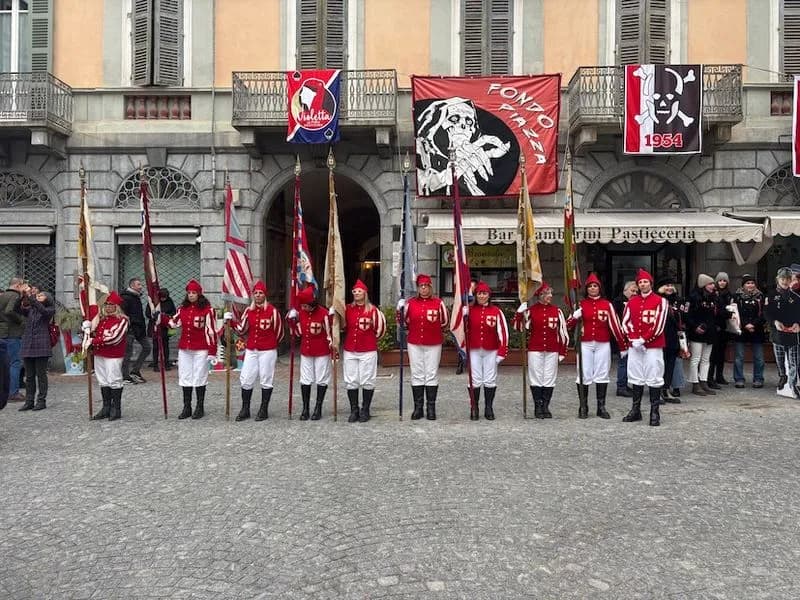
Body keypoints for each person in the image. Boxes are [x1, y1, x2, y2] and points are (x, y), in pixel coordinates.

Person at [567, 273, 627, 419]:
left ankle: (601, 406)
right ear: (586, 289)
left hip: (602, 343)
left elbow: (615, 325)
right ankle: (583, 406)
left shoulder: (607, 305)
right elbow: (567, 325)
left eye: (595, 286)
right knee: (583, 374)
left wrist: (622, 346)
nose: (593, 289)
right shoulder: (581, 304)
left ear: (599, 288)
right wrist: (575, 316)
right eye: (590, 286)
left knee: (602, 374)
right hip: (585, 343)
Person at [227, 281, 283, 422]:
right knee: (246, 378)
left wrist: (271, 345)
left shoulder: (272, 311)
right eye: (256, 293)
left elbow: (279, 332)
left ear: (265, 295)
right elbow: (242, 328)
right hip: (252, 349)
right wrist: (231, 322)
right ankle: (245, 409)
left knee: (266, 378)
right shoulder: (249, 311)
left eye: (260, 293)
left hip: (268, 350)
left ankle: (263, 409)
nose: (258, 295)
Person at [397, 273, 448, 420]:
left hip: (433, 343)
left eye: (426, 286)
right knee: (417, 373)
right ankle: (418, 408)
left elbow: (444, 321)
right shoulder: (411, 303)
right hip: (414, 343)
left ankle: (431, 408)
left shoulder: (438, 303)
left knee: (431, 374)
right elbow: (403, 321)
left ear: (430, 287)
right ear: (418, 288)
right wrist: (399, 309)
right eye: (421, 286)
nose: (424, 289)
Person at [621, 268, 668, 426]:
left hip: (653, 346)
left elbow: (659, 325)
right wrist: (634, 339)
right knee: (636, 376)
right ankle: (636, 410)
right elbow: (625, 323)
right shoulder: (632, 302)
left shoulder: (660, 301)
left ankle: (655, 412)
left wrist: (644, 340)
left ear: (650, 283)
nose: (642, 284)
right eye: (640, 282)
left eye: (645, 282)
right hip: (635, 346)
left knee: (654, 375)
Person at [515, 282, 566, 419]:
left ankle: (546, 406)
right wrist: (520, 313)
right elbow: (519, 327)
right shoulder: (531, 310)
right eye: (547, 293)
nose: (550, 296)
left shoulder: (557, 311)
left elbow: (562, 333)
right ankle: (538, 406)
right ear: (540, 295)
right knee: (536, 377)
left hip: (552, 349)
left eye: (550, 293)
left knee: (549, 377)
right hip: (535, 348)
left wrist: (562, 351)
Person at [168, 279, 217, 419]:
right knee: (185, 377)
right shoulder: (182, 309)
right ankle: (187, 407)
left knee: (199, 376)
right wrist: (162, 319)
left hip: (201, 348)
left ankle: (199, 407)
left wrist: (212, 351)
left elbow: (211, 331)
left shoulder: (208, 310)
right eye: (189, 293)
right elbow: (174, 323)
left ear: (199, 294)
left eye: (193, 293)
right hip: (185, 348)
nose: (191, 295)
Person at [342, 279, 386, 423]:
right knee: (351, 380)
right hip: (350, 349)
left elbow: (381, 329)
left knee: (367, 380)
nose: (356, 294)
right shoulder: (347, 309)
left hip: (367, 350)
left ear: (365, 293)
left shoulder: (373, 310)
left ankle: (365, 409)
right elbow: (341, 325)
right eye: (354, 291)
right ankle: (354, 409)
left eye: (359, 291)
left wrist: (371, 340)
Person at [287, 286, 331, 421]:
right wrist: (292, 320)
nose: (304, 308)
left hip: (322, 351)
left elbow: (330, 333)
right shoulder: (301, 313)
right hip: (306, 351)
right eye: (302, 306)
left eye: (306, 306)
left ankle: (318, 408)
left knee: (321, 379)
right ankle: (305, 408)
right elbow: (297, 333)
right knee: (305, 379)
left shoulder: (324, 313)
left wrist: (333, 317)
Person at [466, 281, 508, 421]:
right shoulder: (470, 310)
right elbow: (461, 330)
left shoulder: (496, 311)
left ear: (489, 295)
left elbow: (503, 332)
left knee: (490, 379)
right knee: (475, 379)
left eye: (484, 293)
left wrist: (502, 352)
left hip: (491, 350)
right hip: (474, 349)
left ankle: (489, 407)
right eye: (479, 293)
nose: (482, 296)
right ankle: (474, 406)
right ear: (475, 295)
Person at [84, 292, 129, 421]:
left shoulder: (122, 320)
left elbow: (114, 338)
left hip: (113, 354)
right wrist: (87, 330)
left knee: (114, 379)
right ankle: (106, 407)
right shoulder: (102, 320)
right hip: (100, 353)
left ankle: (116, 408)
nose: (108, 307)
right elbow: (95, 333)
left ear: (117, 307)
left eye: (111, 305)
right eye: (107, 304)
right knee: (103, 380)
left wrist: (94, 341)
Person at [16, 286, 56, 411]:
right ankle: (29, 401)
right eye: (37, 296)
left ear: (47, 299)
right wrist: (22, 296)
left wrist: (32, 297)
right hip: (29, 345)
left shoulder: (49, 309)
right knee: (29, 376)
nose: (38, 297)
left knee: (41, 375)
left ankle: (41, 400)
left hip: (41, 346)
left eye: (41, 296)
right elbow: (16, 309)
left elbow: (42, 310)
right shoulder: (31, 309)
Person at [685, 274, 725, 396]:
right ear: (703, 285)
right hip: (697, 332)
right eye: (710, 284)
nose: (713, 286)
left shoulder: (714, 298)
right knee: (695, 359)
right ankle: (695, 383)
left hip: (710, 332)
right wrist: (694, 326)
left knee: (706, 359)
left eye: (713, 284)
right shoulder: (693, 297)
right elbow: (687, 315)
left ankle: (704, 382)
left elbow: (718, 313)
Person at [765, 267, 800, 398]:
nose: (785, 281)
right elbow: (767, 313)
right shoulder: (771, 296)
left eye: (787, 279)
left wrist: (798, 324)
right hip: (778, 332)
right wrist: (774, 322)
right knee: (779, 359)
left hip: (792, 332)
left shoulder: (796, 297)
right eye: (782, 278)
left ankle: (793, 383)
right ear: (777, 280)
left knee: (794, 360)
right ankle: (782, 376)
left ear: (791, 280)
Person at [733, 274, 765, 389]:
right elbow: (736, 313)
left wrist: (753, 324)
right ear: (743, 285)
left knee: (759, 357)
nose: (750, 285)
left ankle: (758, 378)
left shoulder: (761, 296)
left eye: (752, 283)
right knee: (739, 357)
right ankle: (739, 379)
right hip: (741, 329)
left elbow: (763, 314)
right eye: (747, 283)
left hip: (757, 330)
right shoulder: (737, 297)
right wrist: (746, 324)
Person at [655, 276, 684, 404]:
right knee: (659, 366)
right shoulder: (657, 300)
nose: (669, 288)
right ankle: (657, 391)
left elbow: (683, 318)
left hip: (673, 338)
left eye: (671, 285)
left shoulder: (678, 301)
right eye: (666, 285)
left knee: (670, 365)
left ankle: (666, 389)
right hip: (660, 337)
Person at [120, 278, 152, 384]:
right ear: (132, 286)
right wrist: (129, 325)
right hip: (130, 329)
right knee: (127, 353)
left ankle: (135, 370)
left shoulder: (136, 297)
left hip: (139, 329)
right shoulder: (126, 297)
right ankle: (125, 376)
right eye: (139, 284)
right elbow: (123, 313)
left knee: (147, 348)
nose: (141, 286)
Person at [0, 276, 26, 402]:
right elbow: (9, 311)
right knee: (15, 363)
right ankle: (13, 392)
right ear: (17, 285)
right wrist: (20, 320)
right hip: (12, 333)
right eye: (22, 286)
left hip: (3, 333)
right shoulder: (14, 296)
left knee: (5, 363)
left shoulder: (3, 295)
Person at [612, 280, 638, 397]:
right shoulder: (617, 303)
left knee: (629, 362)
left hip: (633, 337)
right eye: (632, 291)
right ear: (625, 290)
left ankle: (625, 384)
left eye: (636, 291)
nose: (634, 293)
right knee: (623, 362)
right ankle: (621, 386)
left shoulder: (636, 302)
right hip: (622, 336)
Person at [708, 272, 733, 385]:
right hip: (715, 327)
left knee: (721, 353)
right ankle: (710, 377)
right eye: (720, 281)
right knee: (713, 354)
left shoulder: (729, 295)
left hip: (725, 327)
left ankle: (719, 376)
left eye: (724, 280)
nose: (722, 283)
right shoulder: (713, 294)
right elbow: (719, 311)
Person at [146, 288, 176, 371]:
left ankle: (166, 363)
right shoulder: (153, 302)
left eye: (165, 297)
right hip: (155, 326)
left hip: (165, 327)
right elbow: (148, 313)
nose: (163, 299)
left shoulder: (169, 301)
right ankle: (155, 364)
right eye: (162, 297)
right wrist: (155, 316)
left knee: (165, 346)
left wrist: (166, 316)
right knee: (155, 346)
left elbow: (173, 312)